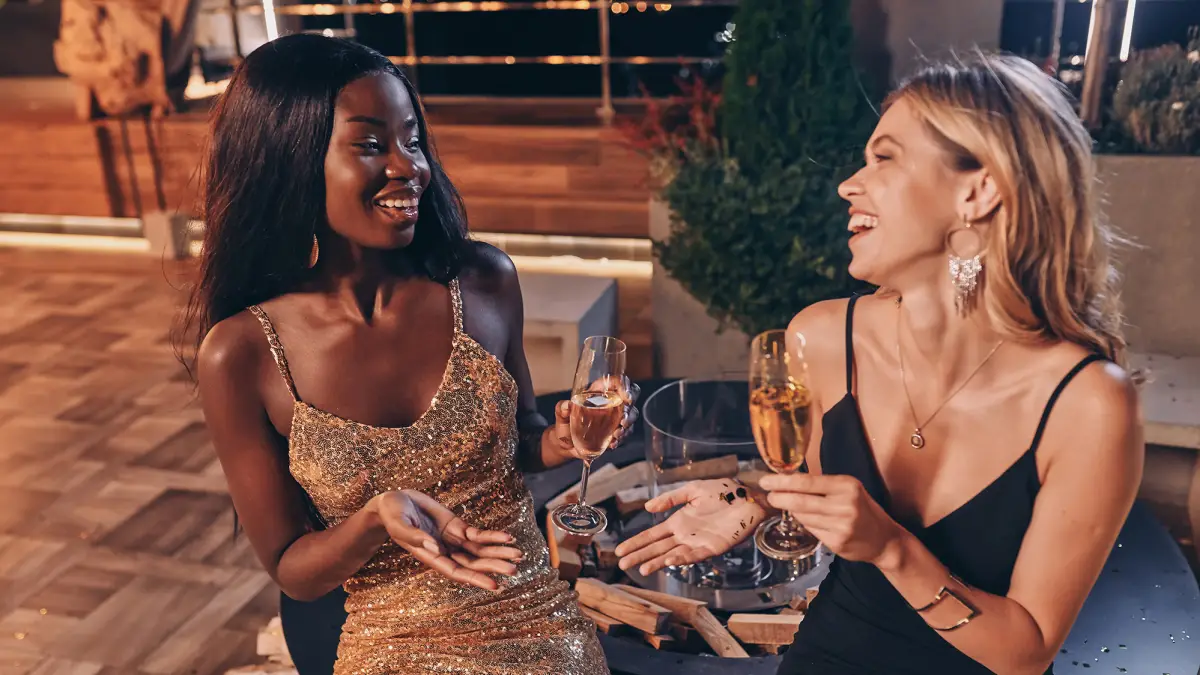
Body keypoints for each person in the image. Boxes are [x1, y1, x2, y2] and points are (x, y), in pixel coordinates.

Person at [615, 53, 1143, 675]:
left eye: (884, 158)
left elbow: (1024, 652)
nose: (848, 185)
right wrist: (754, 498)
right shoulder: (821, 337)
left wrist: (893, 550)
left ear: (977, 191)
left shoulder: (1088, 403)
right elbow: (825, 498)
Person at [182, 34, 630, 675]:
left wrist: (563, 441)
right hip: (392, 646)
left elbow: (524, 439)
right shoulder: (241, 353)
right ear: (290, 159)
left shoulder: (483, 280)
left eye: (412, 140)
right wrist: (374, 521)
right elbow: (293, 570)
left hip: (536, 620)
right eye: (370, 144)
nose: (409, 167)